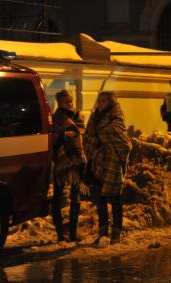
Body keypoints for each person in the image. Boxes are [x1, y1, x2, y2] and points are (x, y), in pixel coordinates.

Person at [84, 91, 132, 245]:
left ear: (111, 102)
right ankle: (103, 230)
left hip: (112, 161)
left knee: (115, 198)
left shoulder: (116, 117)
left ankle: (116, 232)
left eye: (104, 100)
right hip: (98, 161)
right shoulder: (95, 116)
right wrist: (95, 146)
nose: (101, 103)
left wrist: (103, 137)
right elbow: (89, 136)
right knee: (99, 198)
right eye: (100, 100)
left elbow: (123, 142)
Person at [52, 89, 86, 242]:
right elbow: (52, 139)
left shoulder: (78, 116)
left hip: (76, 159)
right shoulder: (56, 118)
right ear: (60, 103)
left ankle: (73, 232)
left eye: (71, 101)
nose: (70, 104)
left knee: (76, 196)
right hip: (61, 159)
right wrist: (63, 136)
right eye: (67, 102)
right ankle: (60, 234)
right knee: (57, 196)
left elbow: (82, 133)